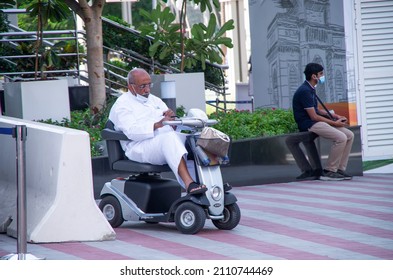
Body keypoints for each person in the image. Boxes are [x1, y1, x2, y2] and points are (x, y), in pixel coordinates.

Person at [108, 68, 206, 194]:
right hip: (138, 146)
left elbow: (169, 124)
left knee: (196, 139)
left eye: (149, 85)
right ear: (130, 86)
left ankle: (210, 184)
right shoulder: (122, 105)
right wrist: (156, 125)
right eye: (142, 86)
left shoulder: (154, 100)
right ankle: (189, 184)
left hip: (161, 140)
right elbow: (131, 132)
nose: (147, 90)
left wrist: (172, 120)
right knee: (169, 139)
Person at [292, 63, 354, 181]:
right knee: (341, 137)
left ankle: (339, 169)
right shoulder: (305, 91)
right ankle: (329, 171)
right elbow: (314, 116)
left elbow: (317, 110)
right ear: (314, 76)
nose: (323, 76)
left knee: (349, 135)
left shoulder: (310, 88)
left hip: (315, 121)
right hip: (309, 124)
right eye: (321, 74)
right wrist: (335, 123)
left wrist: (335, 116)